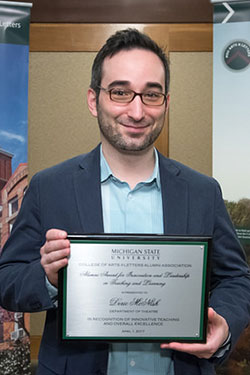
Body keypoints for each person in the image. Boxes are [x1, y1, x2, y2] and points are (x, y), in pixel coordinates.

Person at [0, 28, 250, 375]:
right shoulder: (49, 187)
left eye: (151, 95)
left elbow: (237, 278)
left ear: (166, 102)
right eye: (120, 92)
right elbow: (7, 279)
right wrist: (47, 278)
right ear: (94, 100)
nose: (136, 111)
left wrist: (223, 324)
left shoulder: (203, 191)